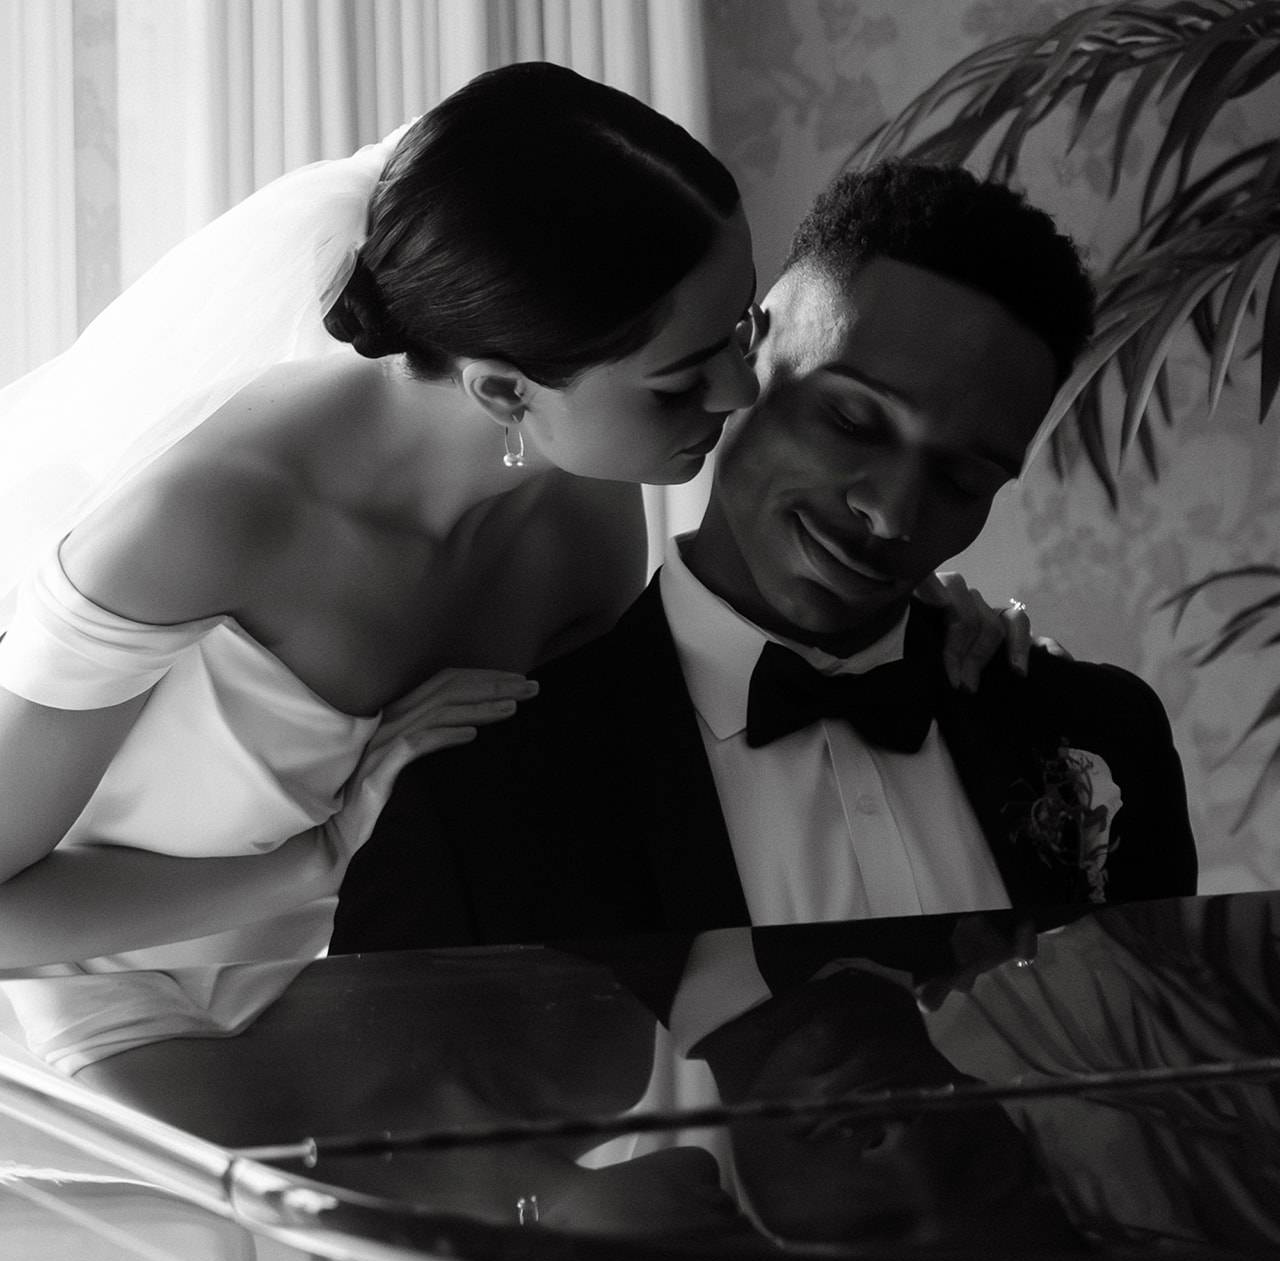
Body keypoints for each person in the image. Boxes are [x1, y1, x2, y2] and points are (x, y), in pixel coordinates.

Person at [0, 65, 1020, 981]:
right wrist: (313, 862)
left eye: (741, 329)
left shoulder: (578, 507)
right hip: (97, 1050)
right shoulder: (204, 518)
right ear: (501, 391)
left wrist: (904, 618)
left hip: (385, 1020)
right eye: (677, 382)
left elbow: (609, 765)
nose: (740, 391)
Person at [332, 161, 1199, 954]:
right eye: (853, 421)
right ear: (742, 351)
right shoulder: (473, 796)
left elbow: (1164, 1084)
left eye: (963, 478)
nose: (890, 514)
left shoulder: (1103, 734)